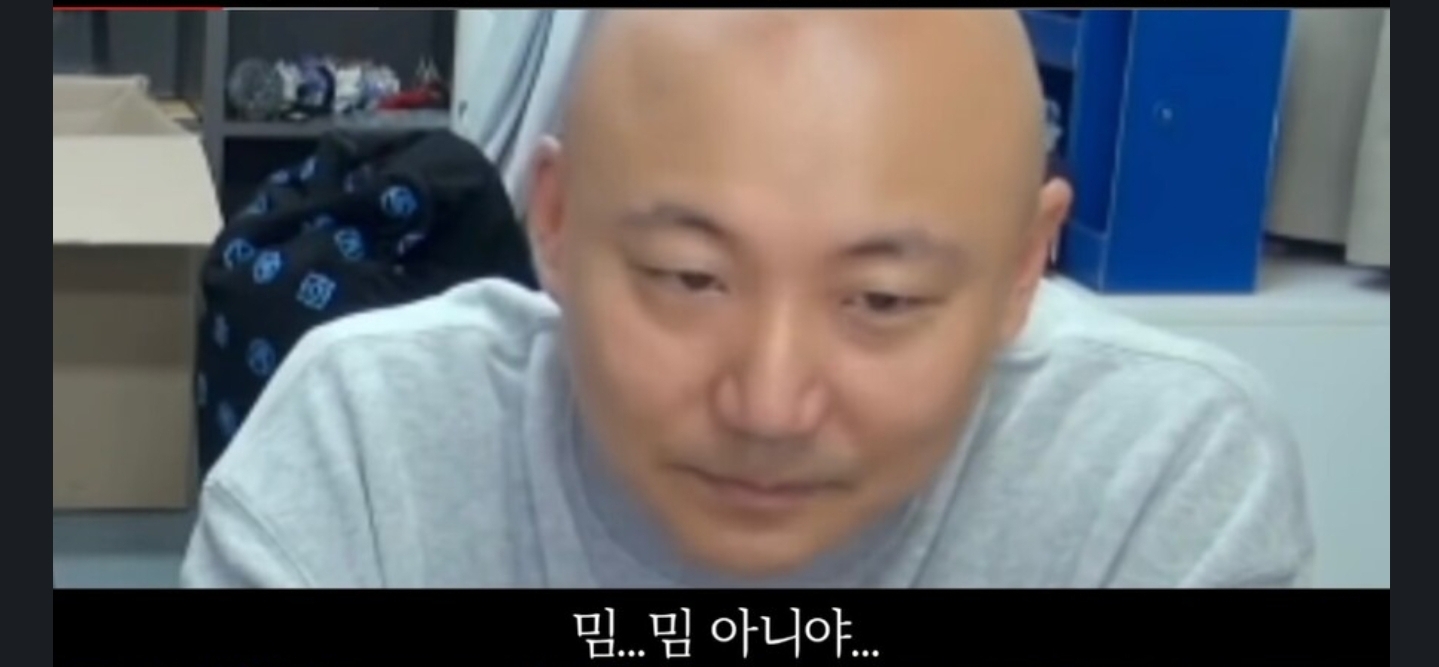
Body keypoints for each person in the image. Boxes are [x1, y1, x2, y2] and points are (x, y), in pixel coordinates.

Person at [180, 9, 1313, 588]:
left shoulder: (1152, 477)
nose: (769, 404)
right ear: (555, 222)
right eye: (690, 278)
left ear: (1024, 266)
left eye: (880, 299)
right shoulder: (369, 452)